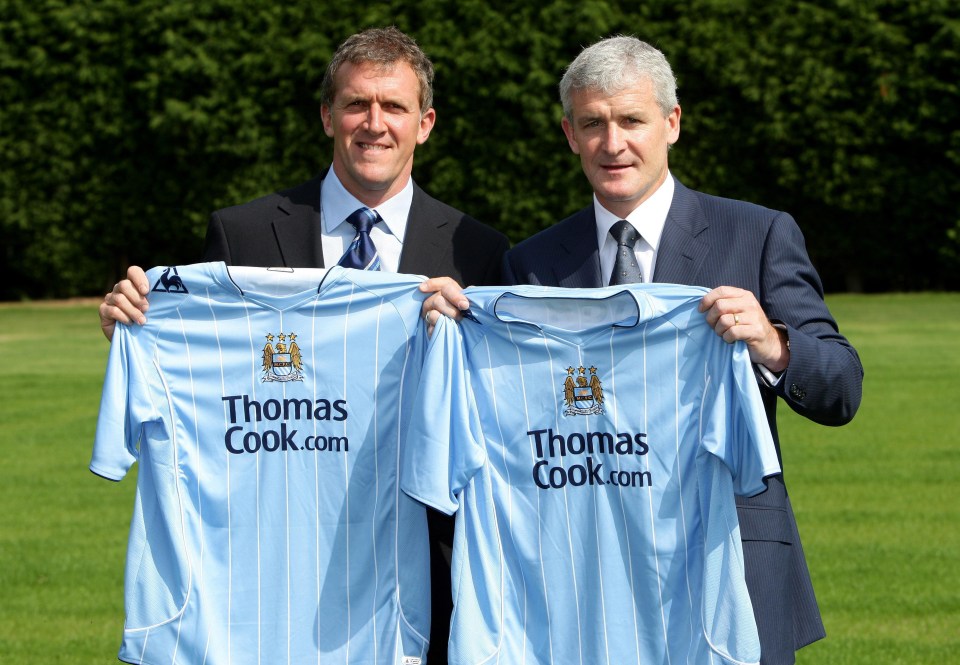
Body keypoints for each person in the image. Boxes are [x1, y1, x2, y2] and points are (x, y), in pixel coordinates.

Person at [421, 35, 863, 665]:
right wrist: (456, 335)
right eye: (592, 123)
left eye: (631, 120)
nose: (613, 142)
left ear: (671, 123)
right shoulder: (533, 264)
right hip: (582, 583)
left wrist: (773, 343)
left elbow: (842, 388)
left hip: (727, 567)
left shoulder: (758, 233)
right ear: (570, 135)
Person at [98, 26, 509, 665]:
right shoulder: (241, 234)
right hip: (271, 572)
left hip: (419, 576)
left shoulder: (477, 251)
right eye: (355, 104)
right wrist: (137, 327)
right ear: (327, 116)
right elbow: (208, 372)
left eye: (394, 107)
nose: (374, 124)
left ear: (425, 124)